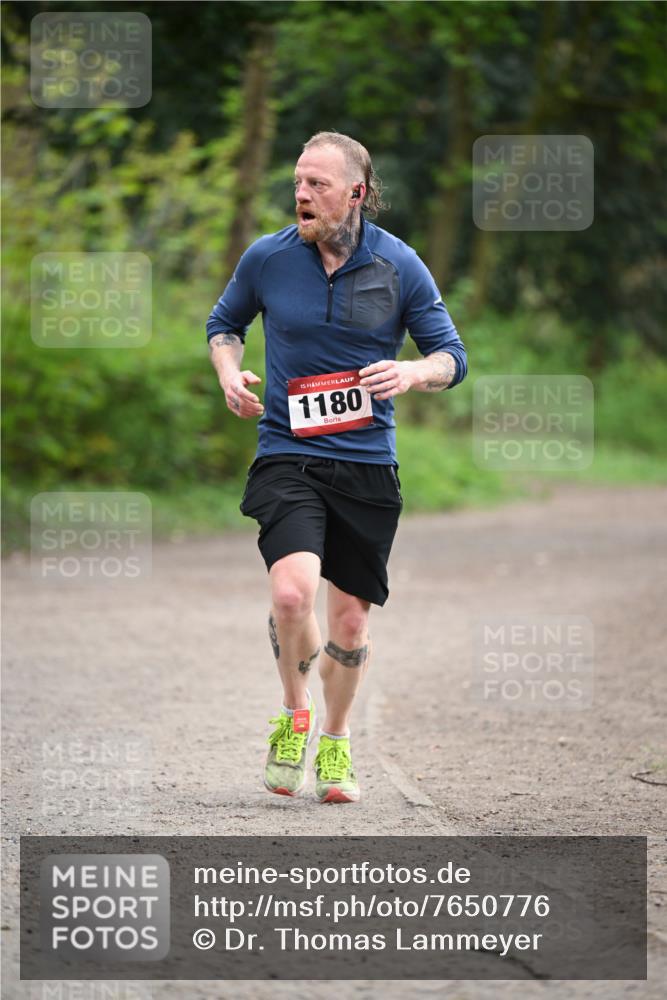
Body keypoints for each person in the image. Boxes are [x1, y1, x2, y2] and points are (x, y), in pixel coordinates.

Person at [206, 131, 467, 804]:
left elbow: (450, 358)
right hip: (286, 453)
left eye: (317, 184)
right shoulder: (268, 257)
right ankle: (294, 713)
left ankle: (337, 739)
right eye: (297, 181)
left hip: (366, 466)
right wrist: (230, 375)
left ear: (355, 193)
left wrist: (411, 372)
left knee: (350, 623)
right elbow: (224, 324)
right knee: (292, 594)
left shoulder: (399, 265)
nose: (301, 193)